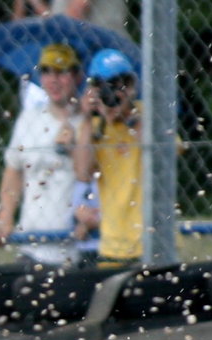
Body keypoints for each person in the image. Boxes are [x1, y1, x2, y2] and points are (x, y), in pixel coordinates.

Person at [0, 43, 85, 268]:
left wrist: (76, 147)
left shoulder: (87, 123)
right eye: (46, 71)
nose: (53, 79)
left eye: (61, 72)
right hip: (30, 243)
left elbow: (93, 177)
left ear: (77, 76)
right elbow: (13, 170)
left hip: (74, 246)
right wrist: (5, 219)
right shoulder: (29, 119)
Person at [73, 48, 141, 268]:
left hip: (153, 241)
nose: (112, 96)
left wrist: (129, 113)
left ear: (131, 87)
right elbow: (83, 173)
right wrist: (87, 117)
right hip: (112, 245)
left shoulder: (148, 116)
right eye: (105, 89)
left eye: (119, 86)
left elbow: (165, 153)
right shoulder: (94, 129)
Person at [11, 0, 129, 37]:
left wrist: (36, 4)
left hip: (101, 50)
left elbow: (73, 18)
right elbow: (15, 29)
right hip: (80, 49)